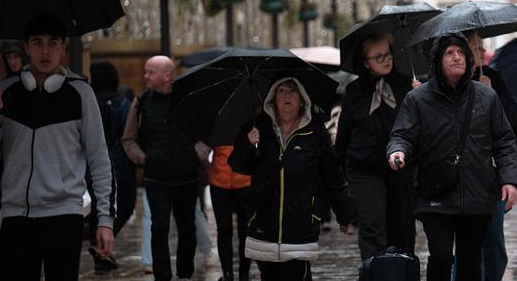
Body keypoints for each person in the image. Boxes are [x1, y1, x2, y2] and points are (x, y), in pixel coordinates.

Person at [387, 34, 517, 281]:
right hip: (436, 192)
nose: (456, 57)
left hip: (477, 193)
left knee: (470, 260)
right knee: (441, 255)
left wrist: (509, 180)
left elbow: (504, 140)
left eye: (461, 53)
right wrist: (397, 151)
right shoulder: (418, 98)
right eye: (449, 53)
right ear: (438, 61)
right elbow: (402, 134)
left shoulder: (487, 96)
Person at [0, 14, 116, 280]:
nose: (45, 51)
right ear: (26, 47)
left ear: (63, 47)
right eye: (37, 43)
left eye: (52, 43)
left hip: (64, 215)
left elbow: (99, 158)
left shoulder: (81, 94)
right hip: (15, 216)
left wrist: (105, 220)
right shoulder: (5, 93)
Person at [231, 78, 355, 280]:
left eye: (293, 90)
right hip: (264, 224)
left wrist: (345, 214)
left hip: (301, 225)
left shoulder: (315, 131)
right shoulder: (257, 128)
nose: (287, 95)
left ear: (302, 100)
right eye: (281, 90)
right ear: (272, 99)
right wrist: (247, 144)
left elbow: (332, 175)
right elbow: (238, 166)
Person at [123, 55, 211, 281]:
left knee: (187, 228)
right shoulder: (142, 102)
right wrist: (144, 158)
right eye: (145, 71)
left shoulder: (189, 100)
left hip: (187, 177)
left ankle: (184, 274)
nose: (145, 76)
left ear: (167, 75)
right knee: (159, 227)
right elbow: (129, 139)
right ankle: (162, 276)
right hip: (156, 178)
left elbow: (207, 131)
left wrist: (197, 154)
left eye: (150, 72)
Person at [336, 32, 416, 260]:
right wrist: (340, 178)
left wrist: (420, 96)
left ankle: (402, 270)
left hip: (400, 168)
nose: (386, 60)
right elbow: (343, 137)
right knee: (373, 225)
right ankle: (375, 271)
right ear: (366, 63)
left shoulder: (407, 86)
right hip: (364, 168)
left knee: (402, 227)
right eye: (379, 57)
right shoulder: (354, 91)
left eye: (388, 54)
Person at [467, 31, 517, 281]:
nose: (481, 52)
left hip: (491, 171)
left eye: (482, 47)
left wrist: (492, 94)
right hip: (463, 175)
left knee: (494, 242)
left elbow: (512, 119)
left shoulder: (492, 77)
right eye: (475, 48)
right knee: (468, 245)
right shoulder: (448, 82)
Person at [88, 60, 136, 272]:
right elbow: (128, 134)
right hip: (119, 165)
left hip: (91, 167)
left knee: (97, 209)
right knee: (125, 206)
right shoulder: (121, 104)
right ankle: (100, 246)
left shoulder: (89, 102)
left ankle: (100, 250)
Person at [209, 142, 252, 281]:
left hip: (246, 181)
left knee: (245, 231)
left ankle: (244, 274)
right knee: (224, 229)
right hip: (219, 181)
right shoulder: (217, 128)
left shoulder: (251, 127)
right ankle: (228, 274)